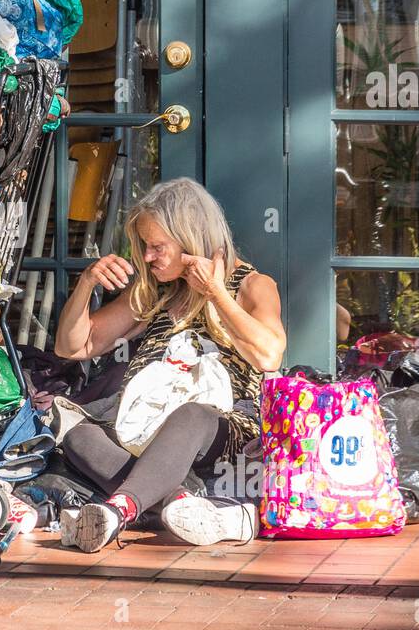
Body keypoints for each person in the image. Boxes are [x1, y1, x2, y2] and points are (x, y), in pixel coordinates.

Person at [53, 178, 287, 552]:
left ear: (191, 239)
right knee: (78, 435)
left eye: (157, 247)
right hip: (148, 423)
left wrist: (215, 294)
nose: (147, 257)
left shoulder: (252, 285)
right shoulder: (158, 293)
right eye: (144, 246)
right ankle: (180, 502)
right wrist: (86, 284)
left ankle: (119, 509)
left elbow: (269, 354)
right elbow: (72, 346)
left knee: (191, 415)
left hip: (221, 426)